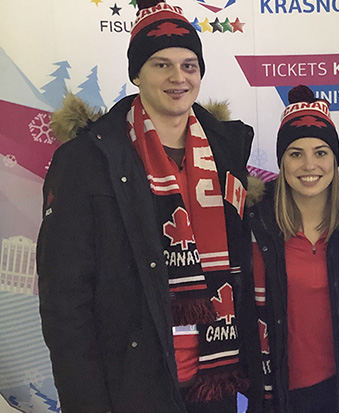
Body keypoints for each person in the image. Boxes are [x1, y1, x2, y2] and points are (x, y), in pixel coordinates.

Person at [36, 1, 260, 412]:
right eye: (162, 65)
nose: (179, 78)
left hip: (214, 383)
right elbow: (64, 301)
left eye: (189, 65)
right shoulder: (87, 160)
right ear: (136, 73)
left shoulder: (226, 152)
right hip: (131, 387)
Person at [246, 85, 339, 413]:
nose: (309, 165)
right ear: (282, 161)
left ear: (335, 159)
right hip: (282, 391)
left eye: (321, 152)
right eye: (296, 153)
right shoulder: (258, 226)